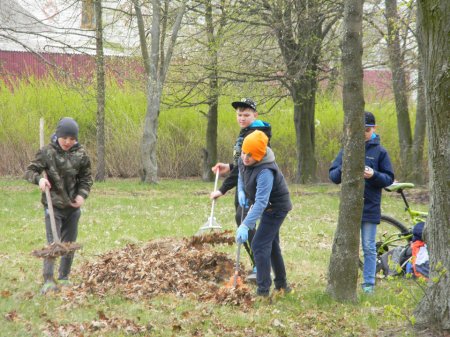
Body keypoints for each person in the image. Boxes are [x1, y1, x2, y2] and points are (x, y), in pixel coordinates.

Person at [25, 117, 93, 295]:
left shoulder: (81, 154)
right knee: (53, 243)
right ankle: (48, 280)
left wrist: (81, 195)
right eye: (65, 138)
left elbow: (86, 178)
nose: (68, 142)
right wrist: (39, 179)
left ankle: (64, 277)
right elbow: (29, 171)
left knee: (69, 243)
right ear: (58, 135)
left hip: (72, 207)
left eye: (72, 139)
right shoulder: (47, 152)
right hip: (53, 205)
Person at [329, 111, 394, 294]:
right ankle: (343, 281)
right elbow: (333, 176)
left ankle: (368, 283)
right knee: (346, 246)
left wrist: (373, 175)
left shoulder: (381, 152)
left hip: (370, 206)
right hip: (349, 208)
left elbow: (388, 179)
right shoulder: (347, 148)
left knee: (368, 246)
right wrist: (345, 167)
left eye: (367, 129)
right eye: (360, 130)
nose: (364, 133)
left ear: (373, 129)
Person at [211, 98, 271, 282]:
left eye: (246, 115)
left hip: (253, 186)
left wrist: (222, 189)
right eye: (239, 114)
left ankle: (261, 266)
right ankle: (258, 264)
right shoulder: (245, 132)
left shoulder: (256, 134)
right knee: (242, 221)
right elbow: (241, 163)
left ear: (255, 115)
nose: (242, 118)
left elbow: (246, 166)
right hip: (243, 184)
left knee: (245, 221)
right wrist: (228, 166)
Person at [233, 130, 292, 297]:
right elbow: (240, 172)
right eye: (244, 152)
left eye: (250, 155)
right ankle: (282, 286)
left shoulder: (266, 171)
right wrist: (241, 191)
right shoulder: (243, 158)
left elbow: (261, 203)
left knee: (259, 244)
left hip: (276, 207)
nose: (245, 157)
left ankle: (263, 291)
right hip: (265, 205)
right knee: (271, 245)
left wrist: (245, 225)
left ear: (259, 156)